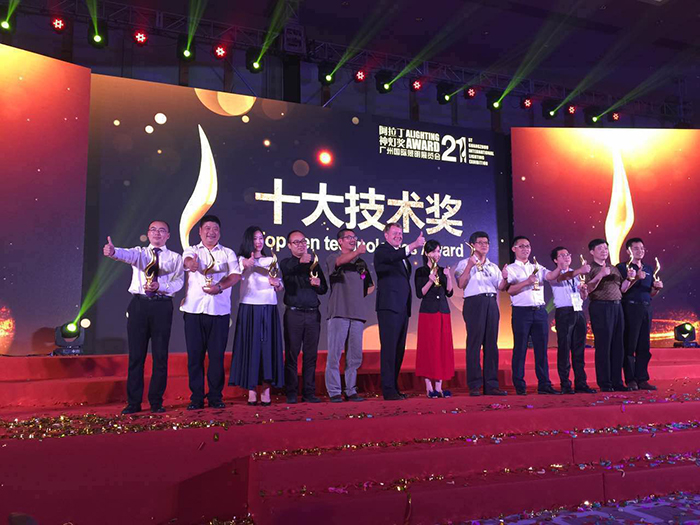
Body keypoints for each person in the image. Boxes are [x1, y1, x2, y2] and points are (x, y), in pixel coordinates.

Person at [104, 220, 184, 414]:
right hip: (139, 305)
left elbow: (179, 281)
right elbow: (124, 254)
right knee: (136, 356)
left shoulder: (175, 258)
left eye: (162, 231)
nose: (157, 233)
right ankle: (133, 402)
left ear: (168, 236)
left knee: (160, 356)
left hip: (162, 306)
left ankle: (156, 402)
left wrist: (161, 286)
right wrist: (113, 252)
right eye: (153, 230)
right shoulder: (139, 253)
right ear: (148, 233)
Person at [181, 215, 241, 410]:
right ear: (200, 231)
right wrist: (191, 264)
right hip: (194, 311)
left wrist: (219, 287)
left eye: (215, 228)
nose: (211, 232)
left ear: (219, 233)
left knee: (217, 357)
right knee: (195, 357)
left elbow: (235, 275)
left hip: (219, 312)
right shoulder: (192, 250)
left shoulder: (227, 253)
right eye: (207, 228)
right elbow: (187, 261)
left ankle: (215, 397)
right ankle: (196, 398)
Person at [229, 226, 284, 405]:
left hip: (268, 307)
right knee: (250, 349)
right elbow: (235, 273)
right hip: (249, 307)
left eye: (261, 238)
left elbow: (279, 285)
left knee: (267, 349)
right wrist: (245, 264)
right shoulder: (240, 260)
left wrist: (277, 284)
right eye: (255, 238)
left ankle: (266, 390)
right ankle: (251, 390)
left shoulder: (270, 260)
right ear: (248, 240)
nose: (259, 242)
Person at [374, 223, 426, 401]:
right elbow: (393, 257)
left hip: (402, 308)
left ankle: (394, 388)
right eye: (395, 233)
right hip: (389, 307)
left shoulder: (403, 257)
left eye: (400, 233)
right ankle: (388, 390)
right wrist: (413, 245)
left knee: (398, 350)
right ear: (386, 235)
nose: (398, 236)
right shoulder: (382, 251)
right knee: (389, 349)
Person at [454, 231, 508, 397]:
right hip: (474, 303)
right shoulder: (464, 263)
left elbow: (501, 287)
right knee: (474, 344)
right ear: (472, 245)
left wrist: (505, 278)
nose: (484, 245)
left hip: (491, 302)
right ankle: (475, 385)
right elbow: (461, 284)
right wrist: (470, 266)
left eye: (486, 243)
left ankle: (491, 385)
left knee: (491, 344)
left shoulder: (493, 266)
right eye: (480, 242)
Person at [505, 236, 561, 395]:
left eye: (528, 246)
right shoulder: (511, 269)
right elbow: (509, 290)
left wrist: (560, 266)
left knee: (541, 350)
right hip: (521, 312)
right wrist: (526, 282)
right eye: (522, 246)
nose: (526, 249)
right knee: (520, 348)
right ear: (514, 249)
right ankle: (519, 385)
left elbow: (550, 276)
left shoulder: (537, 266)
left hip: (540, 312)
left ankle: (544, 384)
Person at [325, 228, 375, 403]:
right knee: (334, 355)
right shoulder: (333, 257)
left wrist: (357, 297)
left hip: (357, 314)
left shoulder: (361, 263)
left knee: (354, 357)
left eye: (354, 237)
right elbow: (340, 262)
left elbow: (370, 285)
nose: (352, 240)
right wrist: (357, 252)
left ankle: (351, 390)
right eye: (348, 237)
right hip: (339, 312)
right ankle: (334, 391)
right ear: (340, 241)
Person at [280, 230, 328, 404]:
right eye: (296, 242)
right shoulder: (286, 263)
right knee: (292, 355)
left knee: (310, 355)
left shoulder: (314, 263)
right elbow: (288, 273)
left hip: (313, 314)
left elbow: (324, 289)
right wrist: (301, 262)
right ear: (289, 245)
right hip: (294, 314)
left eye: (303, 241)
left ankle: (309, 392)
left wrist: (318, 284)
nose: (301, 245)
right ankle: (291, 392)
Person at [584, 238, 635, 392]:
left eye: (606, 248)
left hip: (617, 306)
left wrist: (630, 278)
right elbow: (587, 289)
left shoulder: (613, 268)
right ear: (592, 251)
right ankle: (605, 383)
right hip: (600, 307)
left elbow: (623, 289)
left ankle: (617, 382)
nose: (604, 251)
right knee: (604, 345)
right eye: (600, 248)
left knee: (618, 345)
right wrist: (600, 275)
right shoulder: (589, 268)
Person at [547, 246, 596, 394]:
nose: (566, 257)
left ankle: (581, 383)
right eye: (562, 255)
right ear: (555, 260)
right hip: (564, 312)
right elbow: (563, 278)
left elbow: (583, 297)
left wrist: (584, 291)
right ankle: (565, 384)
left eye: (567, 254)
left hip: (578, 311)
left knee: (579, 349)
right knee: (564, 348)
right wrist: (580, 270)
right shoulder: (553, 274)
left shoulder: (576, 274)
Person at [616, 237, 663, 391]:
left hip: (646, 308)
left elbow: (650, 293)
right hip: (630, 308)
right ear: (628, 251)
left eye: (642, 248)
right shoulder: (623, 267)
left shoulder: (649, 268)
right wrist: (636, 277)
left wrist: (656, 289)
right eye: (636, 248)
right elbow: (622, 290)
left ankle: (642, 378)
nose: (640, 251)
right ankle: (630, 379)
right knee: (630, 344)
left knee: (644, 346)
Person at [414, 240, 455, 398]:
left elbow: (449, 292)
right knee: (428, 348)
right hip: (428, 313)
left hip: (443, 312)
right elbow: (420, 293)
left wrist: (448, 277)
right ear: (426, 253)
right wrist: (430, 280)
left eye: (438, 251)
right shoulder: (421, 271)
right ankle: (428, 387)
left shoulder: (443, 270)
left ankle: (439, 387)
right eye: (433, 251)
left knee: (442, 348)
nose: (436, 254)